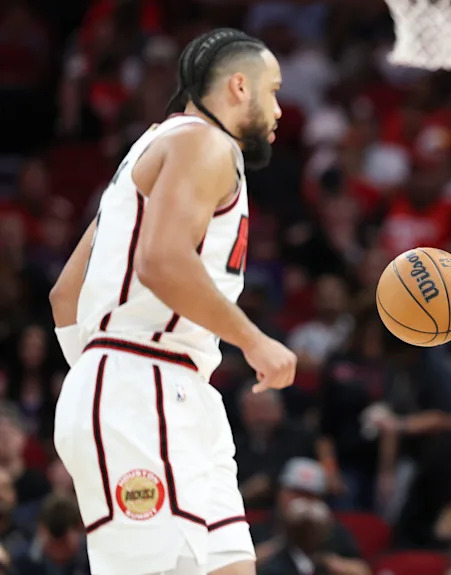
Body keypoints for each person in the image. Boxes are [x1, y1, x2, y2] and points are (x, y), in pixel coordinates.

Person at [47, 28, 298, 575]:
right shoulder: (203, 143)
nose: (279, 108)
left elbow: (66, 294)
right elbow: (160, 261)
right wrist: (253, 340)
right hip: (144, 388)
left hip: (169, 392)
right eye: (273, 90)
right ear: (239, 86)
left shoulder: (153, 150)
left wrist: (95, 374)